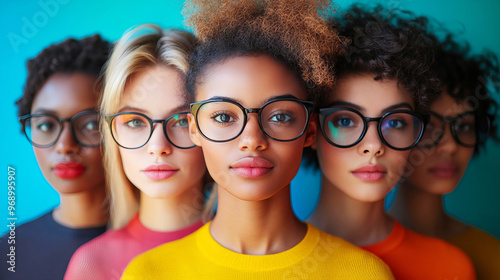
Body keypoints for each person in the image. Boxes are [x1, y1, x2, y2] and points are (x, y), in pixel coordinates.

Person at [122, 0, 394, 279]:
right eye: (224, 117)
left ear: (310, 131)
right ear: (195, 130)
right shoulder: (148, 273)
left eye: (279, 117)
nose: (252, 140)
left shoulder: (363, 273)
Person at [305, 5, 476, 280]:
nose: (374, 145)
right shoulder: (272, 263)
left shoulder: (450, 267)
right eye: (346, 121)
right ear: (311, 132)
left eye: (395, 122)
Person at [64, 24, 213, 280]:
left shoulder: (256, 249)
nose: (158, 147)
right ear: (113, 134)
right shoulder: (93, 265)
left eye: (180, 121)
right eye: (134, 121)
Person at [388, 32, 500, 280]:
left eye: (463, 127)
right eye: (429, 127)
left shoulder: (492, 256)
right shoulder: (361, 254)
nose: (449, 147)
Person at [0, 35, 110, 280]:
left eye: (90, 124)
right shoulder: (8, 253)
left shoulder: (164, 243)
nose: (65, 146)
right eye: (47, 125)